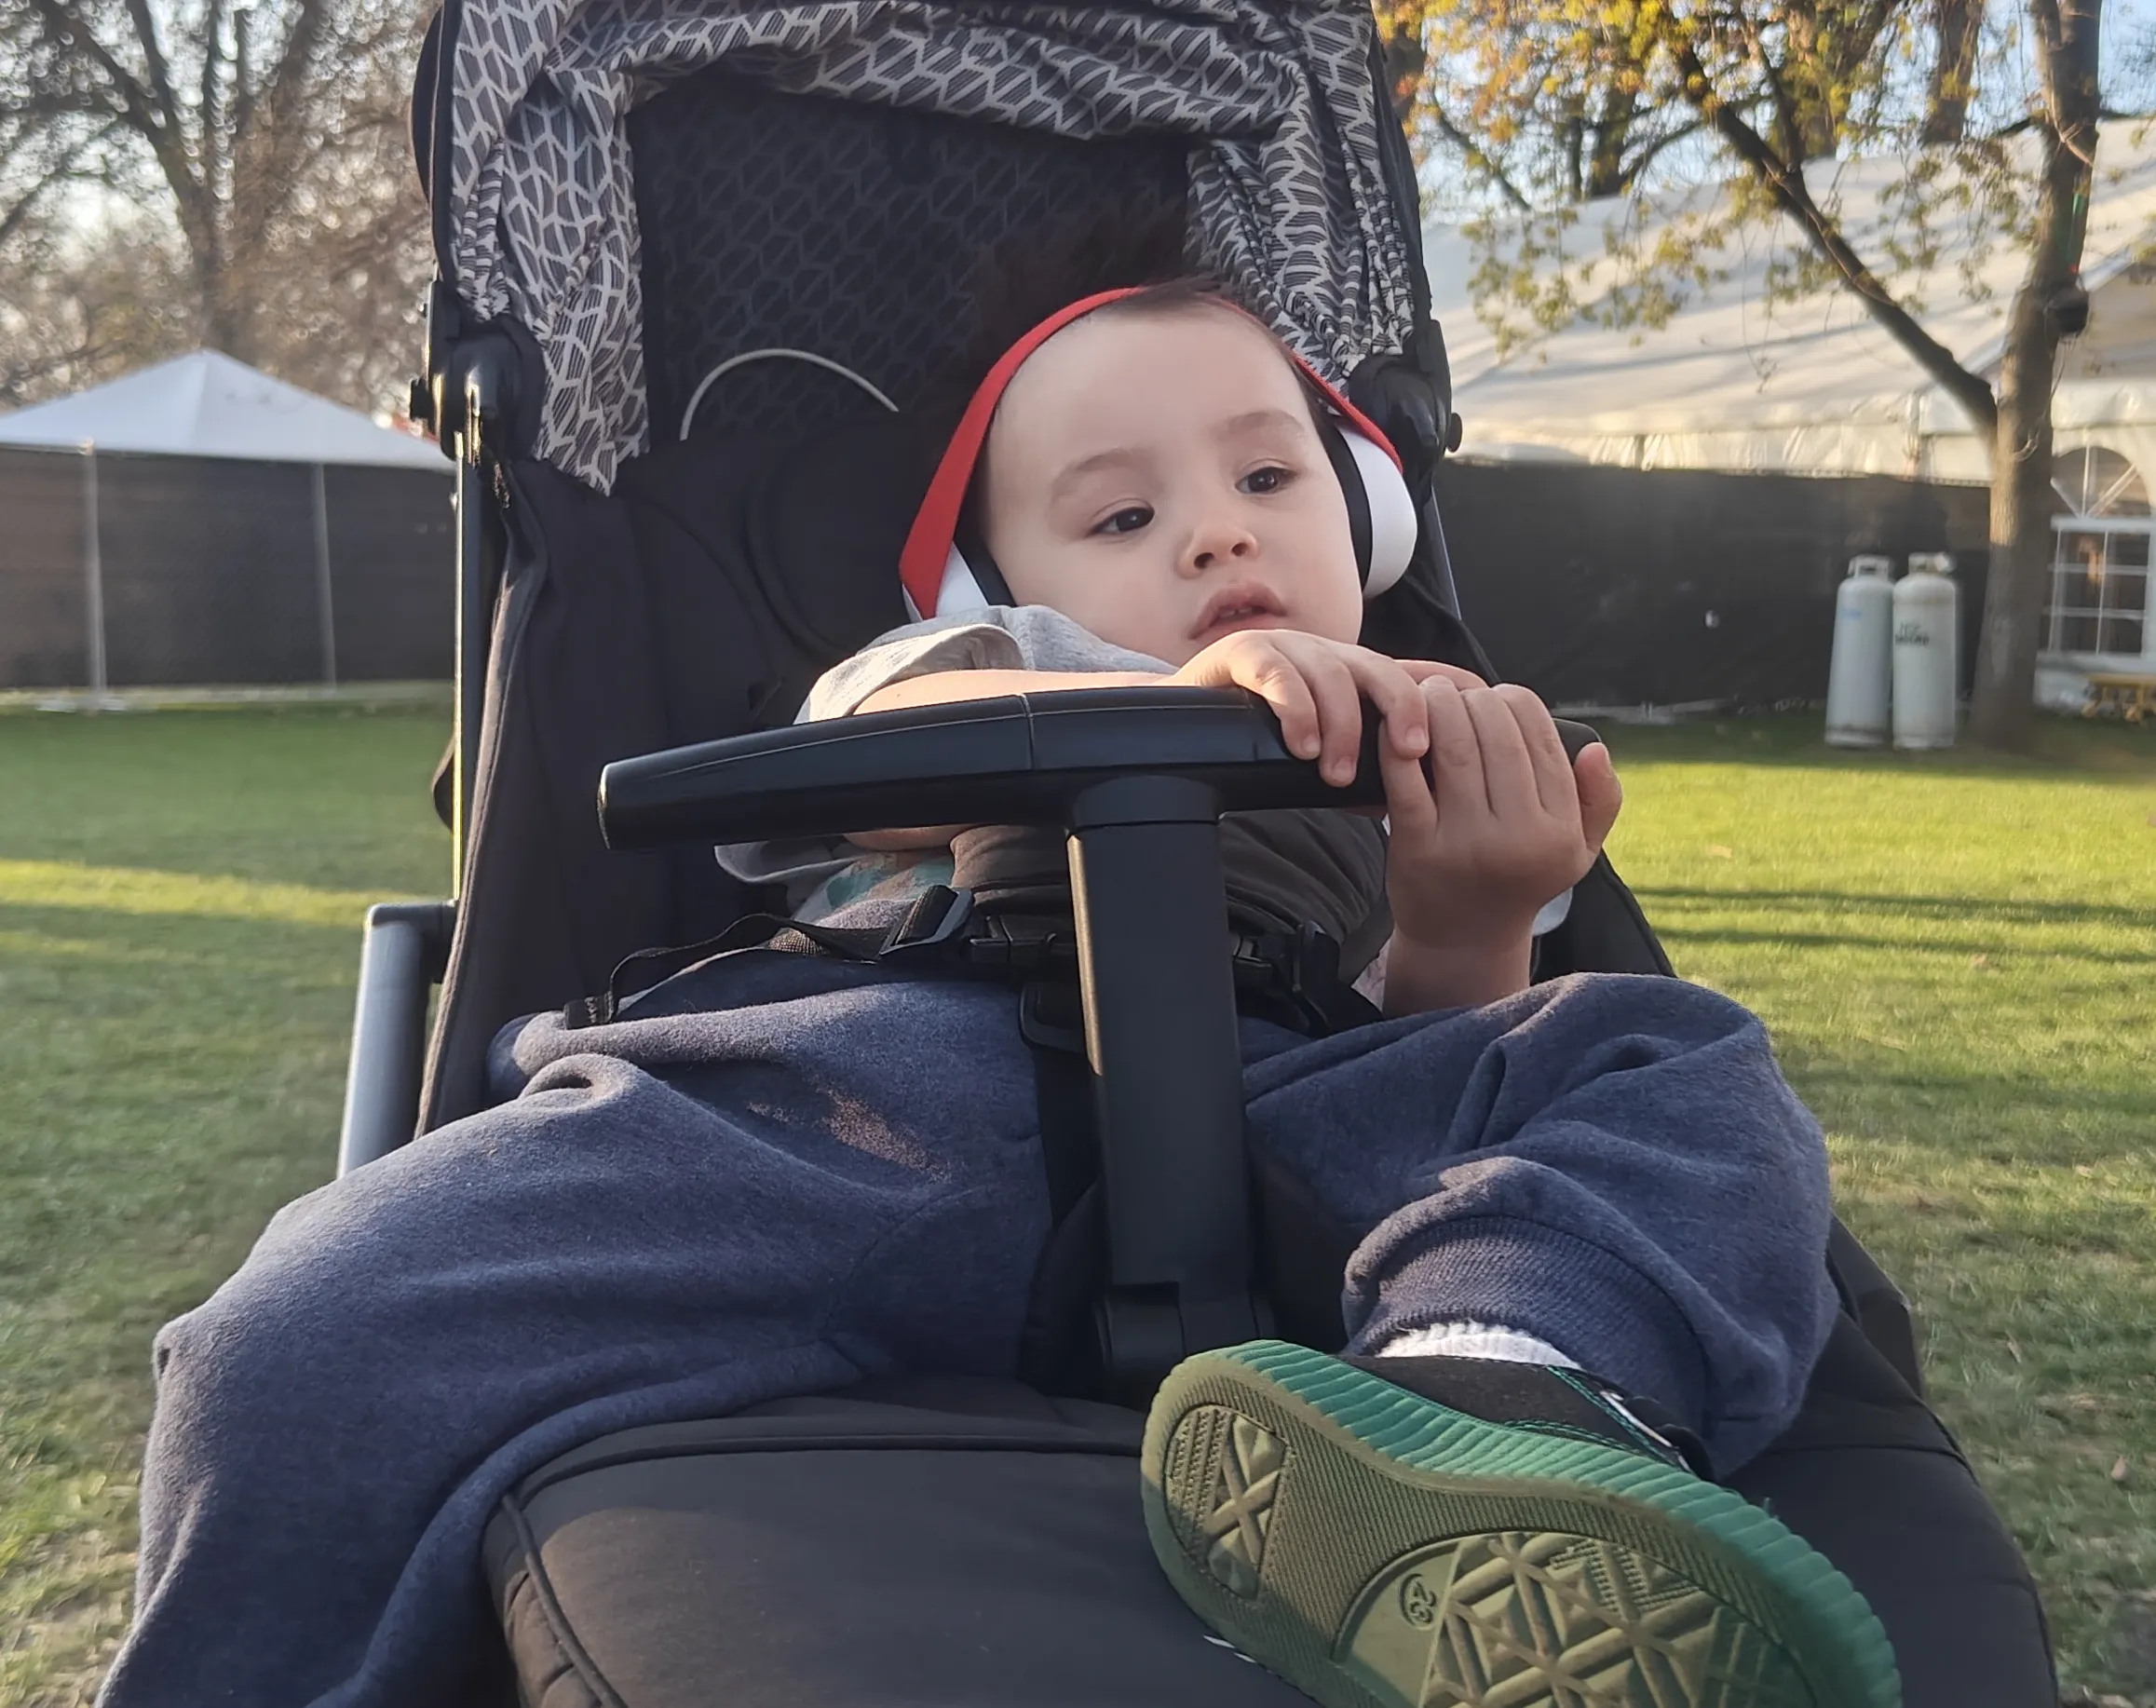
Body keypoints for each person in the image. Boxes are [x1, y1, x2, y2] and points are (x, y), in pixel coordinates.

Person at [100, 282, 1892, 1708]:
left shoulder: (1427, 724)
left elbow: (1445, 1049)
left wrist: (1477, 915)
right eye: (1122, 511)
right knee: (293, 1343)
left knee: (1673, 1063)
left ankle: (1491, 1413)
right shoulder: (964, 661)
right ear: (1004, 583)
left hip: (1300, 1118)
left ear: (1369, 518)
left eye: (1270, 481)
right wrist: (1181, 698)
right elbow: (868, 755)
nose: (1210, 537)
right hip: (877, 1093)